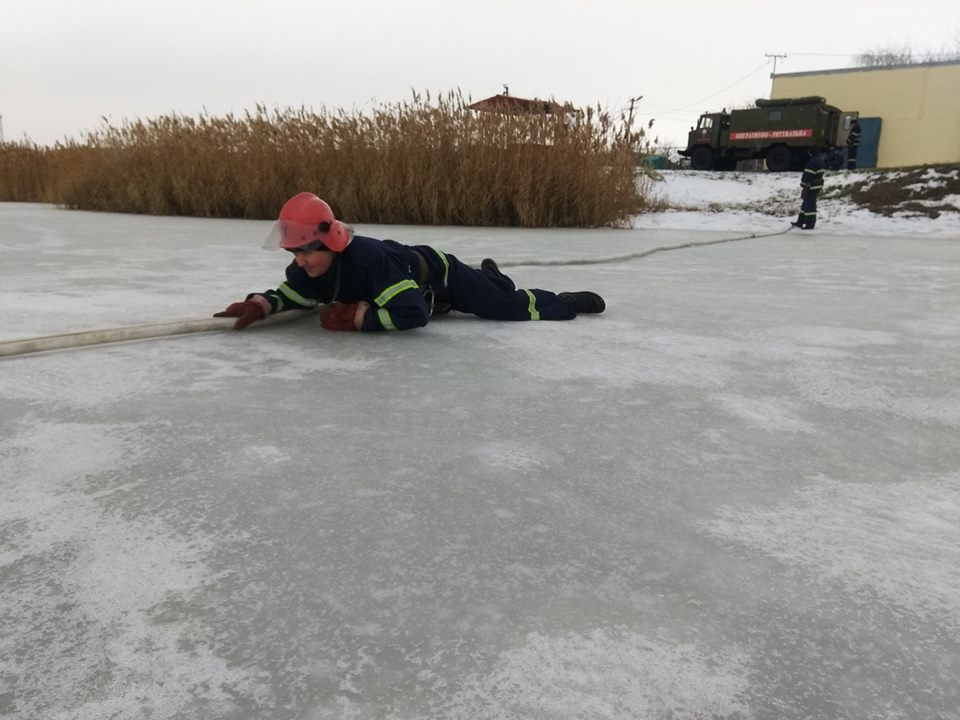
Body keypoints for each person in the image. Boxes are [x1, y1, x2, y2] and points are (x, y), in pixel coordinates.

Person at [214, 192, 605, 332]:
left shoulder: (368, 261)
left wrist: (358, 319)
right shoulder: (305, 269)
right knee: (490, 297)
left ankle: (565, 303)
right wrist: (261, 305)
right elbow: (292, 293)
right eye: (294, 253)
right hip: (415, 285)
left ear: (331, 242)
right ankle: (491, 277)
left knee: (508, 308)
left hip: (442, 277)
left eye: (307, 251)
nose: (301, 261)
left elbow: (412, 312)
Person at [791, 147, 830, 230]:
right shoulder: (820, 161)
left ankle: (810, 224)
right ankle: (800, 221)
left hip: (811, 186)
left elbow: (807, 174)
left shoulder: (812, 162)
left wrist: (803, 183)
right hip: (817, 185)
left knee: (810, 205)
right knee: (806, 203)